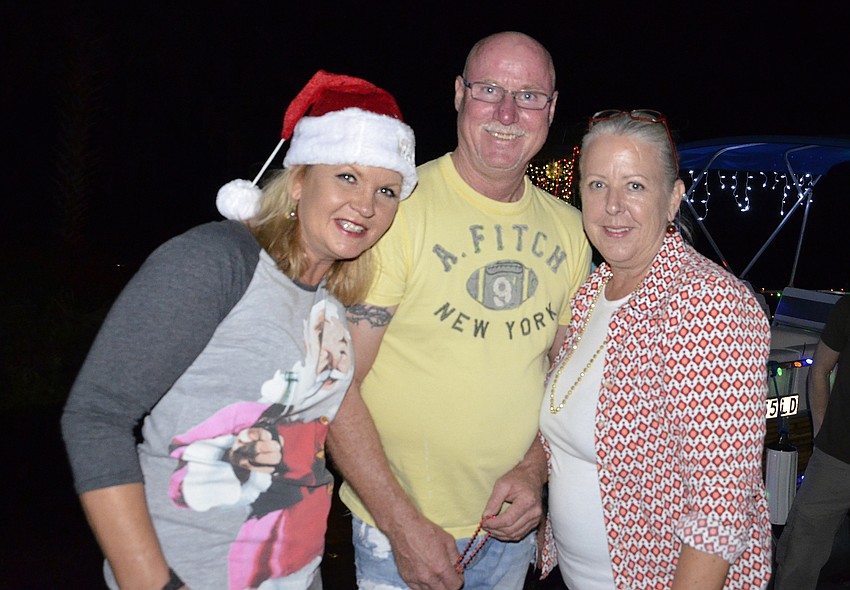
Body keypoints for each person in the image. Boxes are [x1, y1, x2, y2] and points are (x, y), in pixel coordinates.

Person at [60, 70, 417, 590]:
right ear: (298, 181)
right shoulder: (217, 260)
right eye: (347, 176)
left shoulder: (330, 309)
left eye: (386, 189)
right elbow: (96, 416)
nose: (366, 204)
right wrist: (150, 580)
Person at [327, 31, 591, 590]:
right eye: (489, 89)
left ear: (552, 108)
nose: (506, 112)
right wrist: (403, 527)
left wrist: (532, 471)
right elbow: (334, 384)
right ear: (457, 94)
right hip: (399, 538)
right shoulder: (397, 208)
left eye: (529, 96)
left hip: (508, 535)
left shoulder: (571, 230)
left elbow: (560, 384)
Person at [538, 110, 772, 589]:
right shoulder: (591, 294)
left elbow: (721, 505)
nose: (613, 206)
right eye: (597, 185)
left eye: (636, 186)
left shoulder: (705, 302)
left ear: (674, 199)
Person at [774, 295, 850, 588]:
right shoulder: (847, 308)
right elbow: (819, 370)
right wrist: (821, 436)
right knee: (799, 556)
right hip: (836, 458)